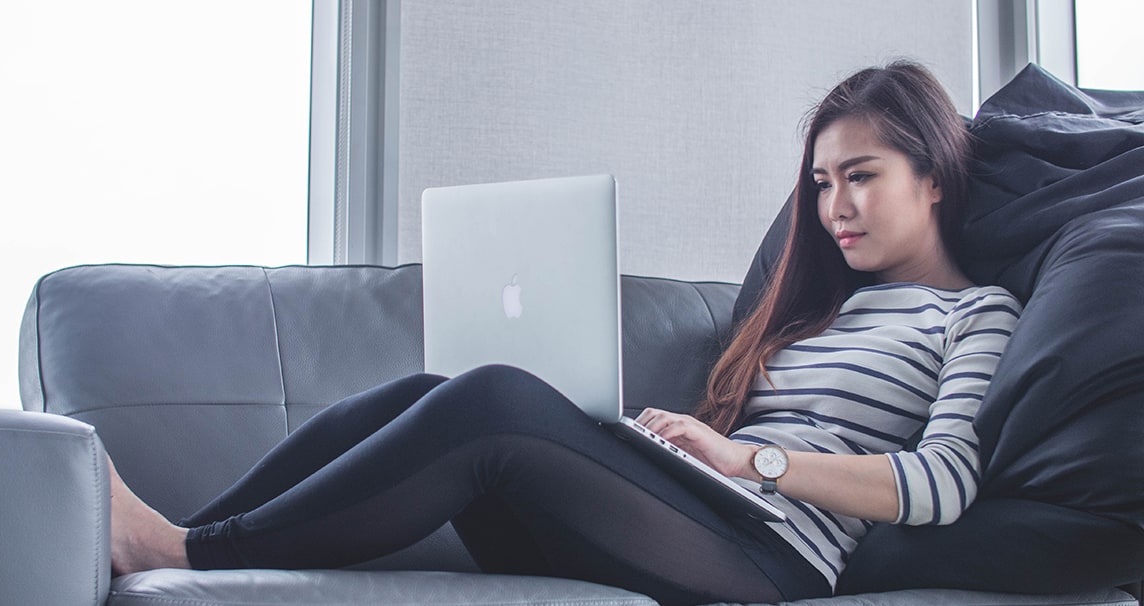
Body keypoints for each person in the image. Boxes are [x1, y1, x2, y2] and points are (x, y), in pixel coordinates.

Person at [108, 60, 1021, 605]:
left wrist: (752, 462)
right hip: (703, 516)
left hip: (775, 560)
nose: (833, 208)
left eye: (859, 175)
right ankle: (191, 532)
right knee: (437, 394)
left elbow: (942, 485)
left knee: (496, 399)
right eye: (820, 184)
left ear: (934, 175)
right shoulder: (824, 310)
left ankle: (184, 554)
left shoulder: (977, 313)